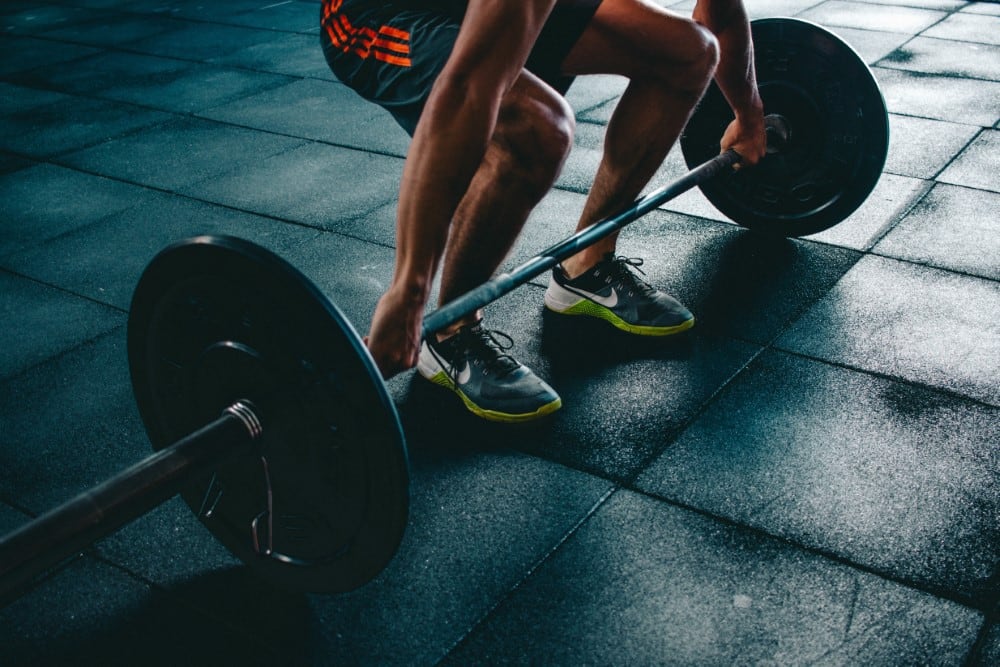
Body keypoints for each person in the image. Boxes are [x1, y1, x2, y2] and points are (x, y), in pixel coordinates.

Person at [321, 0, 766, 422]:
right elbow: (469, 88)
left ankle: (586, 265)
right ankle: (451, 332)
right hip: (378, 14)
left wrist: (749, 115)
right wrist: (408, 291)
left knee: (688, 53)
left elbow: (719, 16)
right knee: (538, 128)